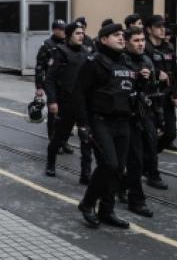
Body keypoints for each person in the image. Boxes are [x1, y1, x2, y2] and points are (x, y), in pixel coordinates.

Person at [74, 22, 135, 229]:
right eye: (116, 35)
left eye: (122, 35)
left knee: (118, 169)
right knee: (109, 164)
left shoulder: (126, 60)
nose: (121, 38)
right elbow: (79, 94)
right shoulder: (93, 62)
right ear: (103, 39)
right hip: (101, 121)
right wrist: (83, 125)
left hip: (123, 122)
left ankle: (107, 210)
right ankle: (87, 203)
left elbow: (131, 89)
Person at [119, 26, 164, 218]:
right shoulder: (121, 60)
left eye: (142, 40)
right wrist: (138, 79)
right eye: (136, 40)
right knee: (131, 159)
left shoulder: (147, 60)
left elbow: (153, 89)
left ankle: (126, 186)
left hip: (144, 113)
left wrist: (158, 116)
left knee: (148, 153)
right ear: (127, 42)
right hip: (125, 115)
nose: (141, 44)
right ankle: (134, 198)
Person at [44, 21, 92, 184]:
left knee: (86, 138)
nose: (81, 36)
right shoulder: (60, 52)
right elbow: (50, 79)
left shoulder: (87, 52)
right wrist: (52, 101)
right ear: (69, 35)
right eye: (77, 33)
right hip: (67, 102)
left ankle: (85, 173)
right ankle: (51, 163)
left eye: (82, 33)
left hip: (83, 103)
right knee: (60, 136)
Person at [144, 15, 177, 152]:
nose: (162, 29)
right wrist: (156, 73)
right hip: (150, 97)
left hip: (166, 96)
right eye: (158, 26)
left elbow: (176, 73)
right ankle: (149, 158)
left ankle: (152, 153)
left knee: (171, 134)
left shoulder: (168, 48)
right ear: (149, 29)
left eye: (163, 26)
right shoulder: (144, 47)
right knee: (150, 134)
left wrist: (176, 95)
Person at [35, 20, 71, 153]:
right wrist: (39, 86)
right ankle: (54, 141)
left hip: (66, 85)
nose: (63, 32)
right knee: (54, 114)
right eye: (60, 29)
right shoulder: (47, 45)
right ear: (54, 30)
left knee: (67, 115)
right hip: (52, 84)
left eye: (64, 29)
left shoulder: (67, 43)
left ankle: (64, 141)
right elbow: (39, 67)